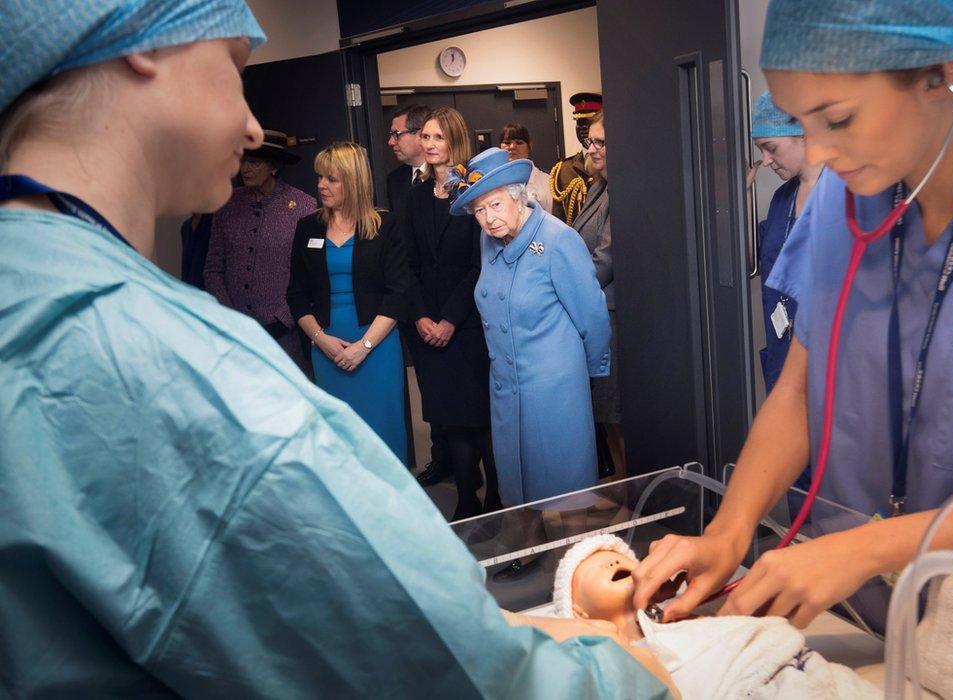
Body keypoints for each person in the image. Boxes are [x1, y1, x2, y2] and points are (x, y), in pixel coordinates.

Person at [0, 1, 672, 696]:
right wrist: (629, 666)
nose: (253, 125)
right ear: (145, 48)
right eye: (235, 70)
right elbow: (441, 660)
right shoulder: (196, 378)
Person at [632, 0, 953, 638]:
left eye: (838, 118)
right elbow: (797, 390)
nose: (817, 151)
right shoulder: (846, 203)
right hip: (856, 613)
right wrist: (729, 532)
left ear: (938, 74)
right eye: (800, 123)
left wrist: (868, 548)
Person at [451, 147, 611, 507]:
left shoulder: (557, 240)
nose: (488, 218)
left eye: (494, 205)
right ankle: (531, 550)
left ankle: (569, 555)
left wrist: (580, 375)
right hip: (506, 388)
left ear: (517, 197)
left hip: (555, 390)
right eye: (478, 210)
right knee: (517, 485)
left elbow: (592, 316)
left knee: (562, 492)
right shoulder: (488, 240)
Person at [552, 535, 879, 699]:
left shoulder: (669, 616)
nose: (611, 563)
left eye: (615, 557)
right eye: (595, 568)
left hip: (774, 666)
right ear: (578, 610)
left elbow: (717, 637)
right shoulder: (606, 649)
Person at [400, 106, 500, 519]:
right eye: (425, 137)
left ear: (455, 142)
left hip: (469, 323)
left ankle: (496, 497)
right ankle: (465, 498)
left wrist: (450, 320)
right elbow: (405, 262)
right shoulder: (415, 196)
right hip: (426, 325)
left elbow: (482, 265)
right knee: (449, 418)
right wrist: (422, 316)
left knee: (480, 417)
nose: (429, 144)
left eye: (438, 137)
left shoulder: (475, 194)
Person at [287, 142, 410, 464]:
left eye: (331, 179)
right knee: (339, 440)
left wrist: (364, 346)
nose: (320, 185)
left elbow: (398, 293)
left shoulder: (384, 226)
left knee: (383, 432)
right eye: (320, 177)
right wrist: (321, 340)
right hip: (328, 345)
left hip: (377, 346)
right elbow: (296, 295)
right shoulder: (307, 227)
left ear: (353, 181)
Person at [204, 129, 317, 375]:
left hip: (287, 335)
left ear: (273, 167)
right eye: (243, 161)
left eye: (254, 162)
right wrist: (231, 317)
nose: (245, 169)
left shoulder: (303, 207)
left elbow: (312, 275)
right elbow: (213, 268)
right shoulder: (226, 204)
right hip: (238, 335)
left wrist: (282, 321)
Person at [385, 102, 450, 484]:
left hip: (454, 309)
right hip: (415, 302)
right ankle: (441, 459)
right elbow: (401, 248)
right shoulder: (396, 182)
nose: (392, 141)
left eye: (398, 134)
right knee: (428, 390)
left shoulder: (458, 179)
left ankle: (467, 465)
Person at [748, 91, 823, 396]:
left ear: (803, 135)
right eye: (760, 150)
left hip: (826, 362)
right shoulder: (782, 200)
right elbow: (752, 259)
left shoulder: (845, 194)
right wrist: (739, 194)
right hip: (784, 357)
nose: (765, 161)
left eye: (771, 148)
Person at [573, 110, 625, 476]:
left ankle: (631, 492)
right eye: (590, 141)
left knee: (615, 414)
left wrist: (561, 292)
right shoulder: (598, 187)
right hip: (592, 312)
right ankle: (625, 490)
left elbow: (603, 262)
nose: (591, 149)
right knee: (606, 416)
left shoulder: (620, 191)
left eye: (601, 142)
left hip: (610, 317)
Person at [549, 92, 602, 225]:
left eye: (589, 122)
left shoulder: (611, 165)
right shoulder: (563, 169)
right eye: (579, 122)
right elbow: (558, 220)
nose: (583, 127)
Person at [499, 122, 553, 213]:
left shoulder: (548, 180)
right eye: (507, 143)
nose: (512, 147)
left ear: (529, 146)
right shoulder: (493, 182)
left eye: (519, 143)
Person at [386, 103, 430, 216]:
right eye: (391, 134)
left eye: (396, 134)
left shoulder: (450, 175)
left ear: (421, 134)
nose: (390, 142)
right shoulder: (394, 179)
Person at [180, 212, 213, 290]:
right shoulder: (186, 227)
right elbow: (185, 265)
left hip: (209, 291)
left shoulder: (214, 222)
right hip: (190, 290)